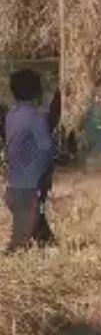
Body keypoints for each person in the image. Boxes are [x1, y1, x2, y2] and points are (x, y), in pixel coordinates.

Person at [4, 68, 56, 253]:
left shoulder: (10, 117)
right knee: (22, 237)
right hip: (32, 181)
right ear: (37, 91)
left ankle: (46, 241)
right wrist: (45, 174)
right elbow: (45, 148)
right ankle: (39, 244)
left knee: (31, 221)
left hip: (14, 181)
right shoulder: (37, 118)